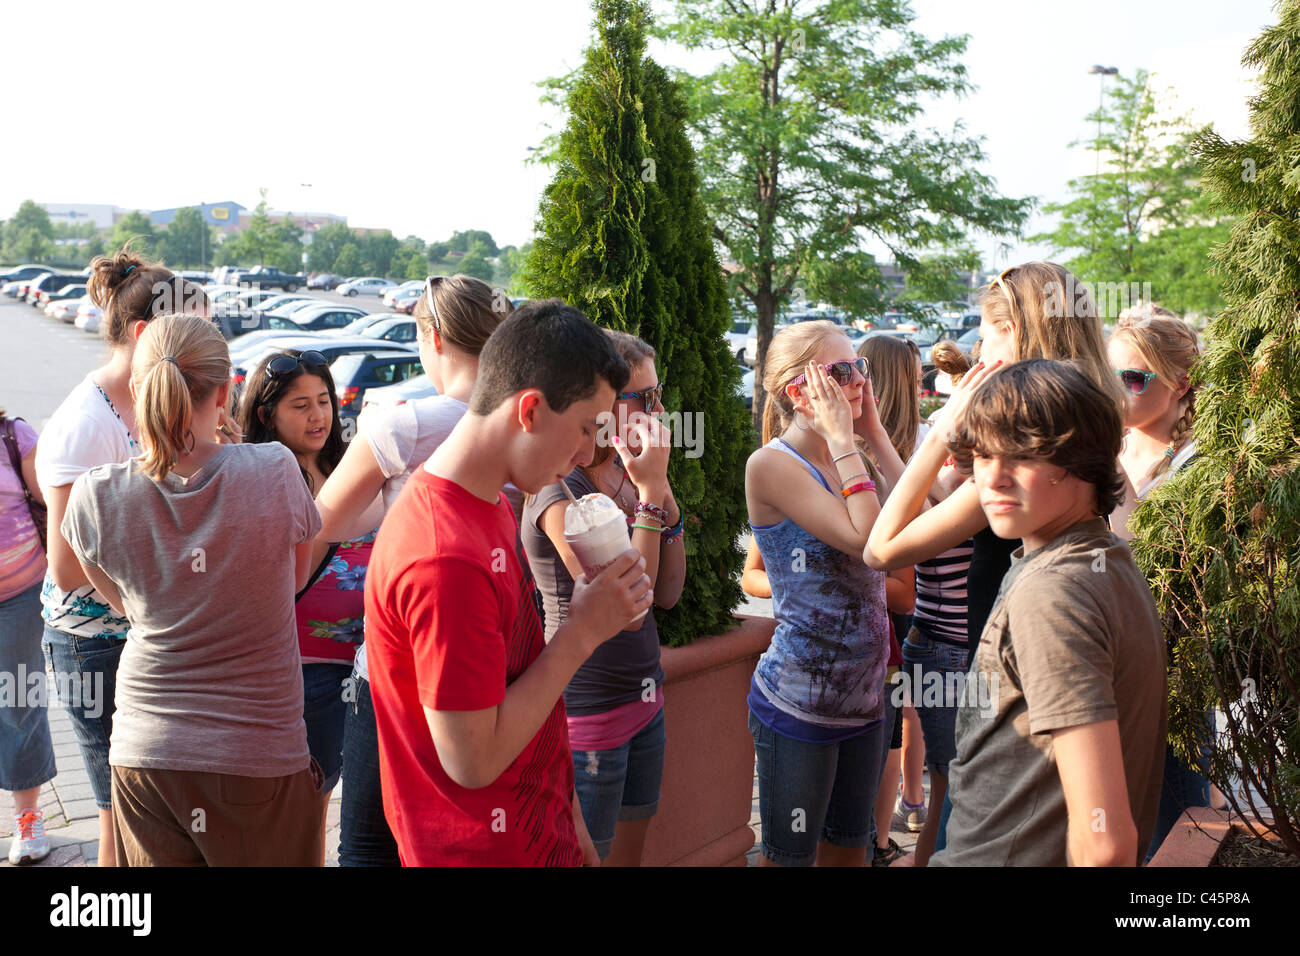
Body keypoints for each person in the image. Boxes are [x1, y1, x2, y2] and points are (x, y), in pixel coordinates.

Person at [363, 298, 653, 866]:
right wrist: (581, 633)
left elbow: (518, 683)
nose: (588, 452)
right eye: (585, 429)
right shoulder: (442, 556)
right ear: (530, 410)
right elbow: (471, 761)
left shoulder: (488, 500)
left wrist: (575, 831)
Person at [864, 262, 1128, 855]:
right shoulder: (1091, 432)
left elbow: (882, 547)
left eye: (990, 333)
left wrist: (941, 435)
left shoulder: (1026, 457)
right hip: (1035, 671)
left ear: (1025, 333)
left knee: (976, 822)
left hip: (1008, 689)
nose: (978, 348)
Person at [59, 314, 326, 866]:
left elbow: (124, 602)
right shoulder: (276, 470)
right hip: (256, 753)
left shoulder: (96, 495)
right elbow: (294, 579)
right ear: (226, 391)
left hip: (145, 751)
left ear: (137, 391)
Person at [929, 358, 1167, 866]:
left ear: (1082, 458)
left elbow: (1104, 843)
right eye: (981, 454)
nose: (992, 478)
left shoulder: (1054, 591)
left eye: (1022, 454)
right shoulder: (1102, 558)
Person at [314, 274, 513, 866]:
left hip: (395, 664)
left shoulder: (404, 422)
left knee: (368, 844)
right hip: (488, 654)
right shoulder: (522, 421)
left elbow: (329, 522)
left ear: (432, 335)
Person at [35, 252, 217, 867]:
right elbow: (64, 568)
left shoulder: (156, 404)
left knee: (151, 802)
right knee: (118, 807)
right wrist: (150, 601)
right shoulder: (86, 425)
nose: (204, 350)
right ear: (146, 335)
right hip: (96, 639)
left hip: (147, 628)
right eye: (191, 334)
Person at [744, 320, 906, 867]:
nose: (858, 379)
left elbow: (918, 536)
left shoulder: (854, 455)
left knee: (850, 851)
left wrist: (876, 438)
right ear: (798, 391)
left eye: (860, 366)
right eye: (841, 371)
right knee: (789, 857)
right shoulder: (770, 465)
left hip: (865, 697)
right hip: (801, 702)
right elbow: (870, 543)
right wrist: (844, 442)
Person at [521, 330, 686, 866]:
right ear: (605, 400)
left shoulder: (630, 473)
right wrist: (651, 498)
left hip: (645, 698)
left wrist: (660, 501)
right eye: (644, 398)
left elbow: (668, 593)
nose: (658, 410)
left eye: (659, 395)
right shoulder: (556, 486)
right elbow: (629, 608)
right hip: (585, 713)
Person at [238, 347, 366, 863]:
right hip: (291, 676)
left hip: (353, 677)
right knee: (289, 815)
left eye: (324, 401)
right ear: (267, 414)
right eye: (300, 406)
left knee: (319, 805)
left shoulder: (352, 467)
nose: (318, 416)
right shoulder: (256, 477)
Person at [1106, 304, 1213, 860]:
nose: (1117, 391)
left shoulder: (1201, 464)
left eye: (1133, 378)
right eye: (1109, 375)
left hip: (1174, 675)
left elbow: (1150, 552)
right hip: (1104, 666)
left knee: (1178, 834)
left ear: (1181, 385)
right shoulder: (1111, 445)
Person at [0, 408, 53, 864]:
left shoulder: (12, 436)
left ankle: (28, 821)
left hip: (17, 592)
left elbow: (52, 505)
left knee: (18, 702)